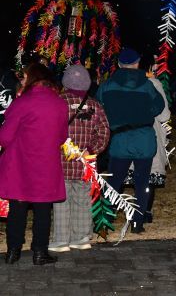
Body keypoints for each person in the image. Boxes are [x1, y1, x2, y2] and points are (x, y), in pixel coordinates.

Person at [0, 63, 68, 265]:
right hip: (46, 164)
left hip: (20, 164)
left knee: (18, 209)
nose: (21, 79)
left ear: (32, 78)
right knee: (43, 211)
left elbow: (5, 137)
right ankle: (40, 252)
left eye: (24, 76)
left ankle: (13, 252)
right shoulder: (59, 103)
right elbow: (62, 137)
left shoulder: (22, 103)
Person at [96, 48, 165, 233]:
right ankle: (137, 222)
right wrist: (143, 114)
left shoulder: (108, 85)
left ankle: (106, 220)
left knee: (114, 182)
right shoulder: (147, 84)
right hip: (144, 138)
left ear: (119, 64)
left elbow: (99, 106)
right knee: (142, 182)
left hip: (120, 138)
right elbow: (159, 106)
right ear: (137, 63)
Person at [49, 65, 110, 252]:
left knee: (61, 200)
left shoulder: (57, 102)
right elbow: (104, 132)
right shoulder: (95, 105)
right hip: (86, 162)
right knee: (83, 198)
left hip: (61, 161)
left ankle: (61, 240)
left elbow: (49, 130)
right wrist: (91, 149)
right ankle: (82, 237)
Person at [124, 64, 171, 224]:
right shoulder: (154, 84)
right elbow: (164, 115)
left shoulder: (121, 83)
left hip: (127, 133)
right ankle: (144, 211)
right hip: (149, 132)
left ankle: (132, 209)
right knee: (149, 173)